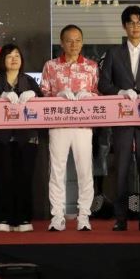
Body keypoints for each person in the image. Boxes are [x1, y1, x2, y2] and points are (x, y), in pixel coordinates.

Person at [99, 5, 140, 232]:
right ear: (124, 26)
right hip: (123, 118)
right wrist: (120, 91)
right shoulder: (113, 53)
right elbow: (103, 83)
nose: (135, 27)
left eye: (139, 22)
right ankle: (121, 219)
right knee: (121, 169)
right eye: (131, 23)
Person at [41, 25, 98, 232]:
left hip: (83, 126)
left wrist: (89, 96)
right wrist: (57, 96)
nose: (74, 44)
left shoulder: (91, 66)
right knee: (57, 171)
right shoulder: (51, 66)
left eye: (78, 40)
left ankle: (84, 216)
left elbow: (98, 93)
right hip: (59, 124)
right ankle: (57, 215)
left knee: (85, 171)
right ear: (61, 43)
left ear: (82, 42)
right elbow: (43, 92)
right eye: (69, 40)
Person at [0, 44, 43, 232]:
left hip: (27, 139)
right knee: (3, 178)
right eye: (9, 56)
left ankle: (24, 218)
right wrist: (0, 97)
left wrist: (34, 95)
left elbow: (43, 104)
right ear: (2, 60)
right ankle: (4, 218)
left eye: (17, 55)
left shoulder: (30, 81)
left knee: (25, 178)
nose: (14, 59)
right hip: (0, 139)